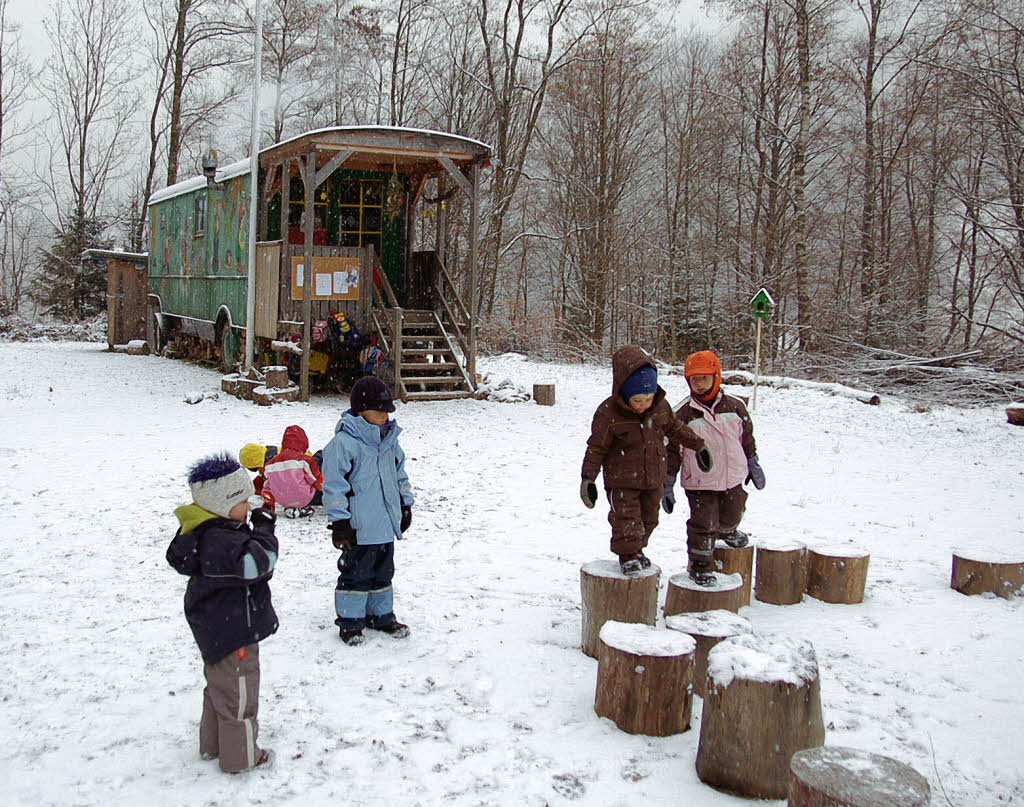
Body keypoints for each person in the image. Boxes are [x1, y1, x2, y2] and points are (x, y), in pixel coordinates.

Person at [166, 452, 279, 773]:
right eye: (242, 500)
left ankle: (212, 745)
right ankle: (240, 758)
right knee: (239, 695)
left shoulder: (205, 531)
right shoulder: (221, 540)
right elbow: (259, 564)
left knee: (220, 688)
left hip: (216, 628)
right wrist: (265, 528)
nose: (249, 506)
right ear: (220, 504)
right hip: (234, 632)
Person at [580, 345, 708, 575]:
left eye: (648, 398)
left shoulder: (660, 408)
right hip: (622, 480)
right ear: (624, 392)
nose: (643, 405)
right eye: (637, 400)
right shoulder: (609, 414)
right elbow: (596, 447)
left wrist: (698, 445)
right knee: (626, 519)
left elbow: (676, 428)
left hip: (653, 477)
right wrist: (588, 478)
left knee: (649, 519)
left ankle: (637, 550)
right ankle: (627, 554)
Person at [321, 375, 414, 646]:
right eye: (378, 411)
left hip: (385, 524)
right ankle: (351, 622)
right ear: (360, 411)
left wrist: (405, 504)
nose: (385, 416)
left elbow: (400, 476)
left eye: (388, 411)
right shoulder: (344, 444)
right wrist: (340, 523)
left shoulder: (390, 441)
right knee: (355, 576)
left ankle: (381, 615)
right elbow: (334, 486)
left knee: (383, 573)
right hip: (359, 528)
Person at [664, 350, 766, 586]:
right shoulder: (682, 415)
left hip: (733, 477)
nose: (699, 384)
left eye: (704, 378)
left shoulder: (736, 407)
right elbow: (672, 451)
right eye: (694, 379)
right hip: (700, 482)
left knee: (733, 512)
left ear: (716, 377)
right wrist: (667, 481)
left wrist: (752, 461)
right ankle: (700, 566)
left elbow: (746, 437)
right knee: (703, 524)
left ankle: (727, 531)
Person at [261, 425, 324, 518]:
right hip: (304, 497)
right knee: (313, 474)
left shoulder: (270, 465)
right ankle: (300, 506)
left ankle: (289, 507)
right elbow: (316, 480)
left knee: (273, 482)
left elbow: (268, 481)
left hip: (282, 499)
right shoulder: (305, 460)